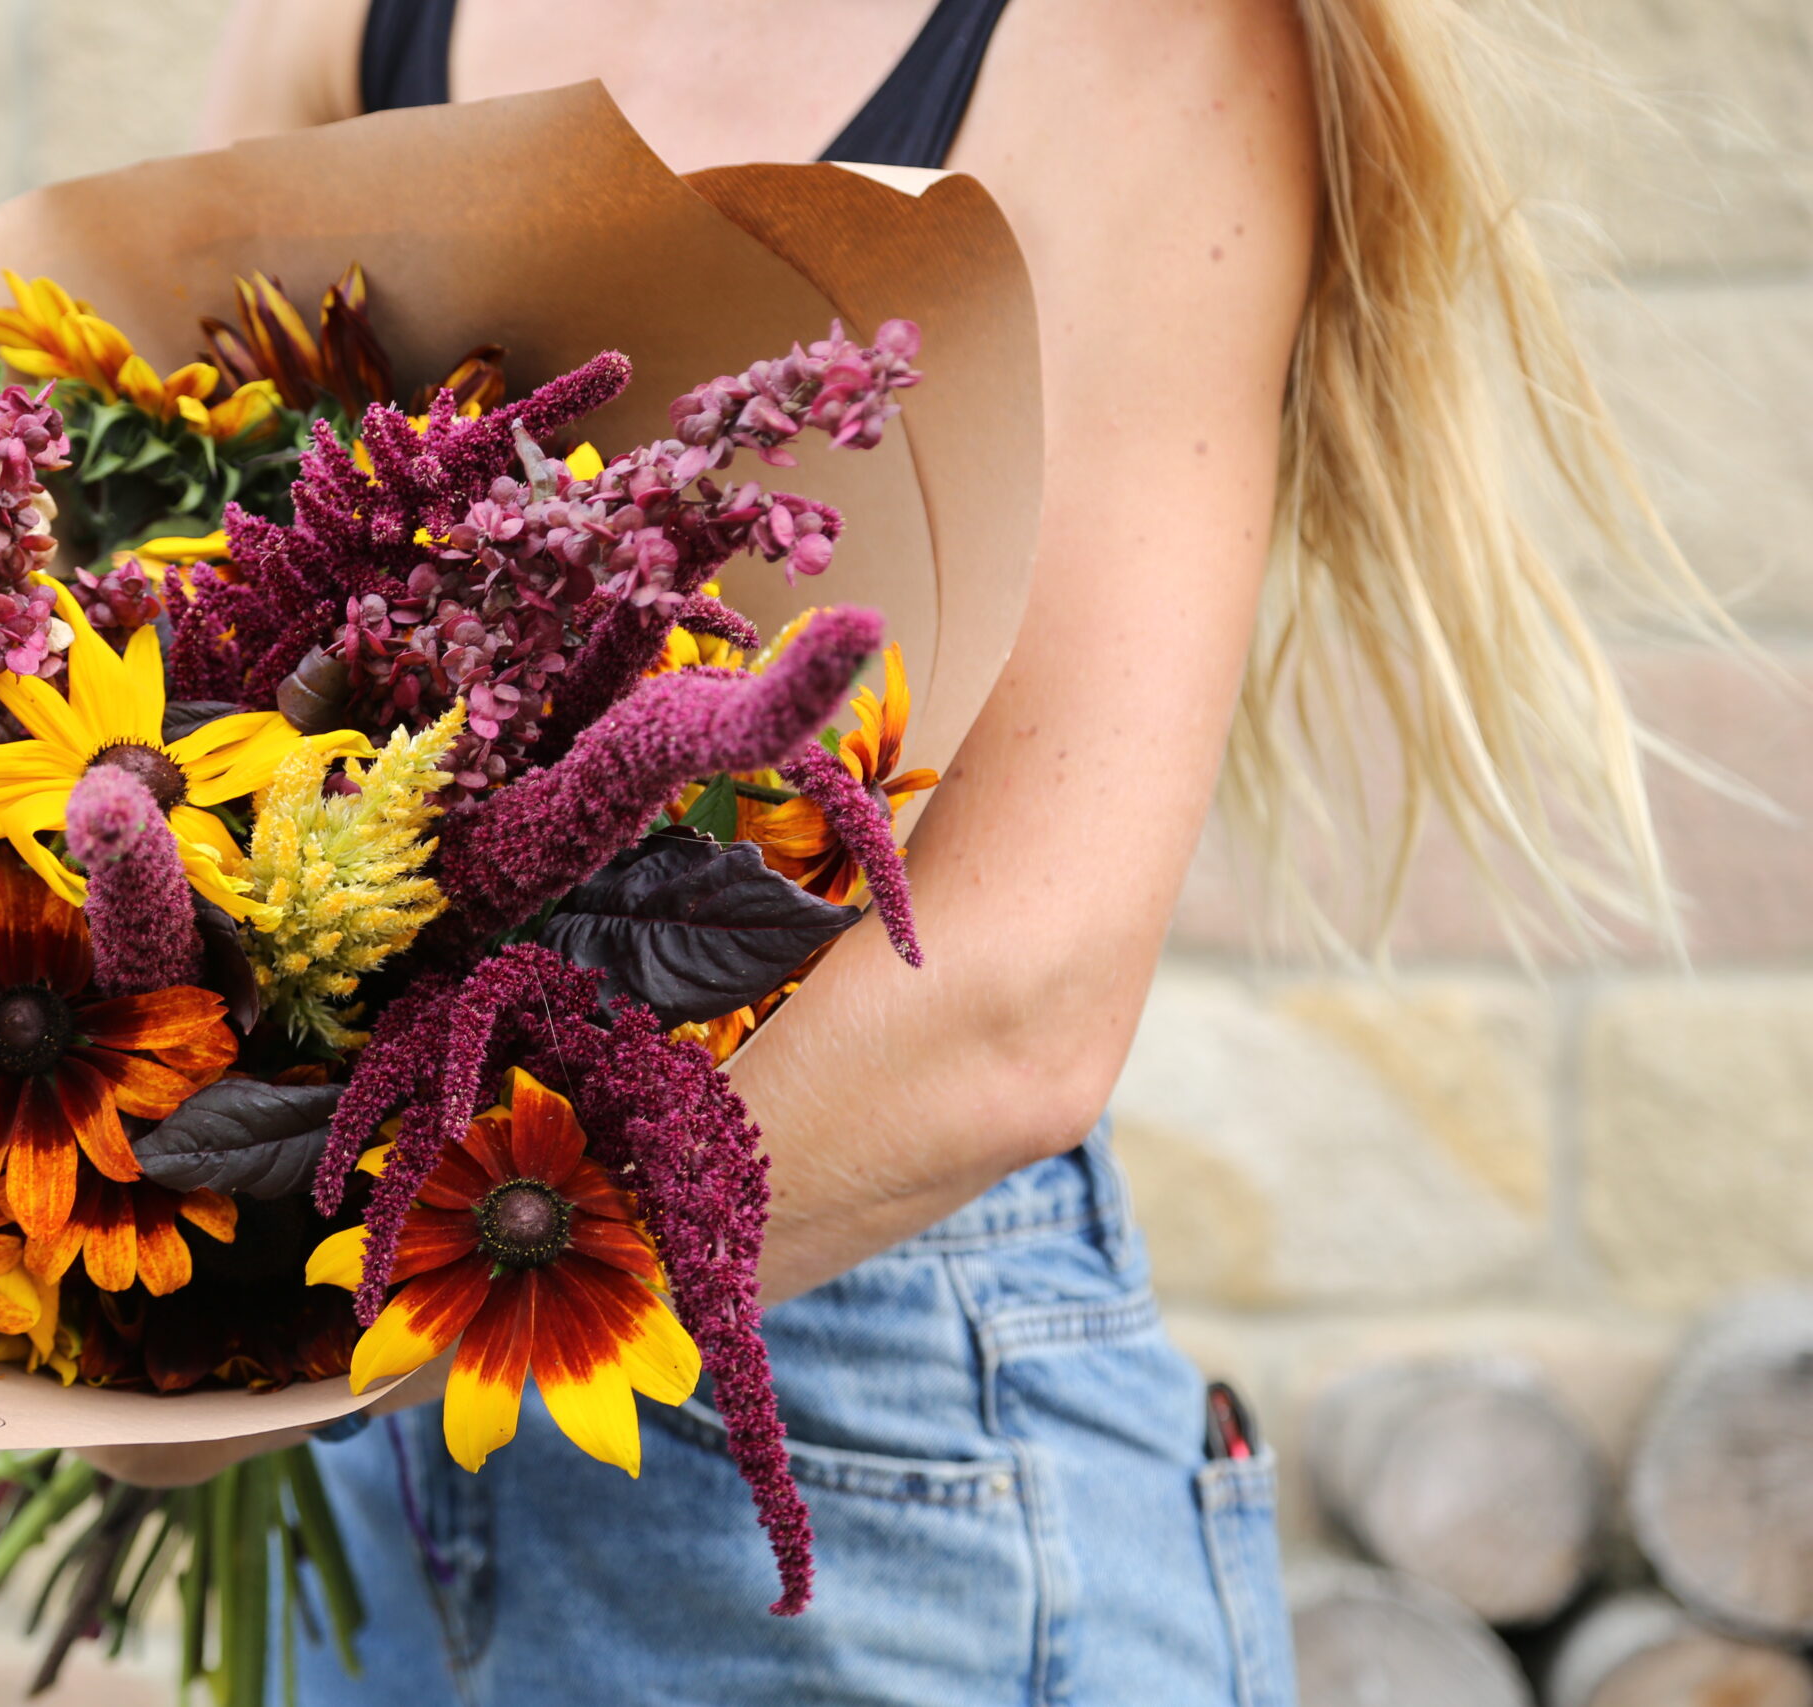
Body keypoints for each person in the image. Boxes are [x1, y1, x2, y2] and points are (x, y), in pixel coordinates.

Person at [93, 2, 1725, 1701]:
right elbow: (162, 581)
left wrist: (290, 1327)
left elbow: (1018, 1004)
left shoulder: (1139, 50)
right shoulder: (355, 20)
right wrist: (109, 1235)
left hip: (856, 1451)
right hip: (383, 1464)